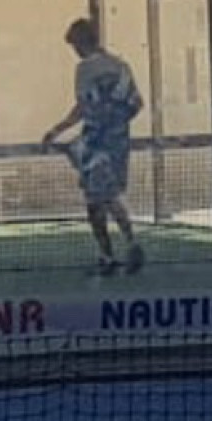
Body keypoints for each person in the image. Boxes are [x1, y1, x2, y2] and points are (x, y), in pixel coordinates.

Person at [42, 17, 144, 276]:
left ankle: (110, 254)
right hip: (119, 142)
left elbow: (83, 107)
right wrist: (116, 125)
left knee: (96, 200)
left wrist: (57, 130)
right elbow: (136, 104)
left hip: (95, 144)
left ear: (80, 43)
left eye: (74, 45)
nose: (74, 50)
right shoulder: (121, 65)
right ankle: (129, 243)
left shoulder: (84, 69)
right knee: (111, 194)